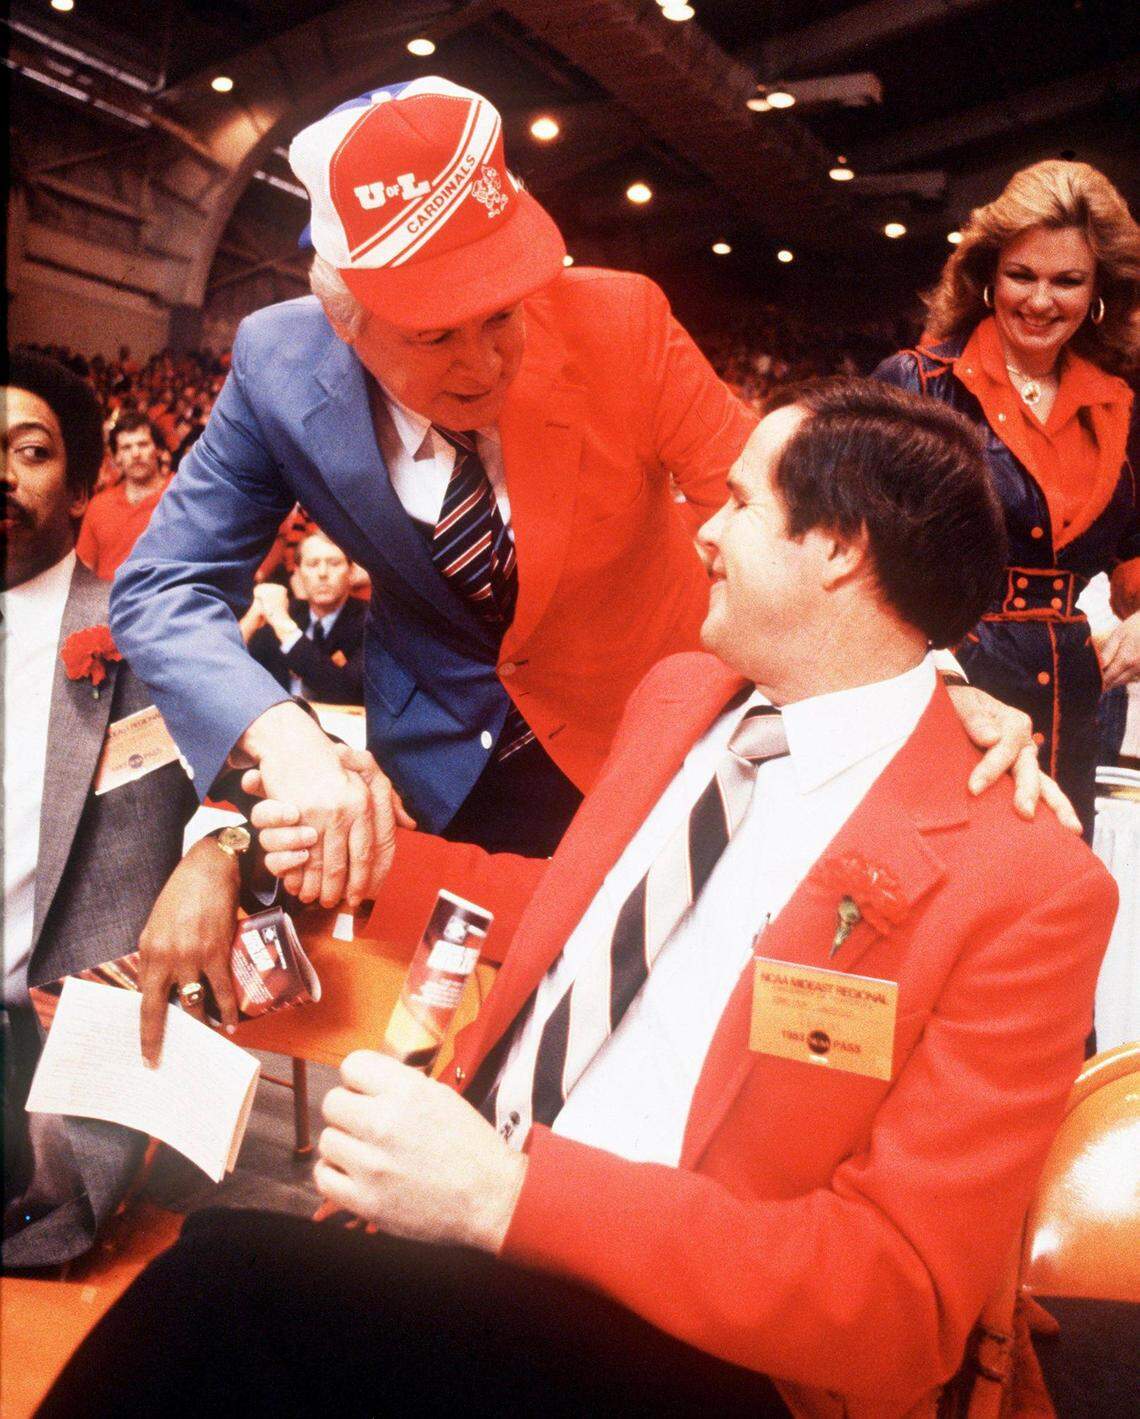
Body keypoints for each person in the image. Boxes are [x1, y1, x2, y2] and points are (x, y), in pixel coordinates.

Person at [42, 381, 1116, 1419]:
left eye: (740, 505)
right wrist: (269, 852)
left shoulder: (1028, 885)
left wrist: (511, 1200)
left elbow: (897, 1302)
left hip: (702, 1346)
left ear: (840, 551)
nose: (705, 533)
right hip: (468, 1241)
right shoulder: (683, 698)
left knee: (220, 1297)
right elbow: (566, 909)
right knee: (222, 1264)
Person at [109, 76, 1043, 904]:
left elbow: (786, 508)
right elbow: (164, 586)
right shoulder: (278, 364)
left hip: (648, 739)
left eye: (502, 314)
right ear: (347, 321)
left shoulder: (619, 320)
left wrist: (927, 677)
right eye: (433, 335)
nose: (483, 365)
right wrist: (282, 733)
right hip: (439, 763)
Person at [1, 355, 256, 1269]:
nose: (1, 471)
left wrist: (216, 852)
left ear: (79, 492)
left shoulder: (142, 632)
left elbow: (255, 782)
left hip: (51, 1067)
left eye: (28, 451)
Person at [875, 159, 1140, 835]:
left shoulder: (1121, 405)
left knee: (1048, 906)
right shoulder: (918, 383)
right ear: (987, 276)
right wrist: (945, 676)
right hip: (943, 691)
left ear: (1099, 290)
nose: (1041, 300)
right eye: (1022, 275)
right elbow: (858, 558)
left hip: (1078, 707)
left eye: (1067, 281)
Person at [243, 529, 365, 706]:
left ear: (351, 572)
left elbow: (349, 692)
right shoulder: (286, 611)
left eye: (334, 563)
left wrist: (286, 629)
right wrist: (252, 618)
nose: (322, 573)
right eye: (313, 564)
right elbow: (229, 672)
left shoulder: (371, 623)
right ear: (298, 573)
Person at [76, 412, 171, 580]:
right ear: (116, 457)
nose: (135, 454)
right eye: (126, 448)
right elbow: (83, 575)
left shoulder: (180, 494)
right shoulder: (99, 506)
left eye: (143, 444)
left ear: (158, 450)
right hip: (106, 602)